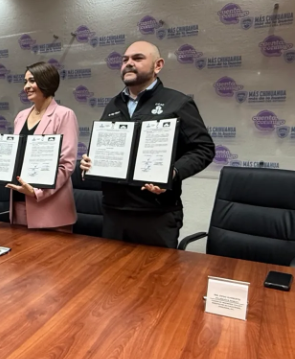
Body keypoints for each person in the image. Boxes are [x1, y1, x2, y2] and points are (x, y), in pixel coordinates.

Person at [80, 41, 215, 248]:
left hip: (155, 213)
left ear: (158, 65)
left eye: (137, 58)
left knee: (154, 270)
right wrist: (90, 162)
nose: (129, 63)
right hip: (114, 212)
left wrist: (172, 172)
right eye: (125, 60)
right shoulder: (113, 104)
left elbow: (203, 148)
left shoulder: (177, 102)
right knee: (111, 269)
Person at [6, 62, 79, 230]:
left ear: (46, 82)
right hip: (19, 204)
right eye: (25, 81)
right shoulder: (21, 116)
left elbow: (66, 165)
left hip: (51, 210)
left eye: (32, 81)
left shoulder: (64, 115)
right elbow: (16, 157)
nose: (26, 86)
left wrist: (37, 192)